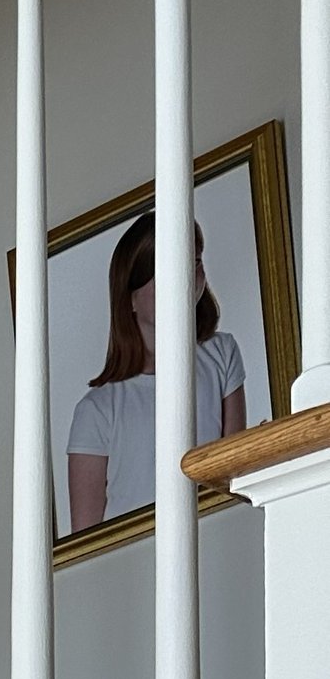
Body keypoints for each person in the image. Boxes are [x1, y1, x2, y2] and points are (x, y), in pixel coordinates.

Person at [67, 207, 246, 530]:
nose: (182, 276)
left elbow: (234, 476)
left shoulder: (222, 354)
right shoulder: (96, 411)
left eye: (191, 261)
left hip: (216, 539)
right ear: (130, 297)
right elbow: (87, 539)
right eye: (163, 268)